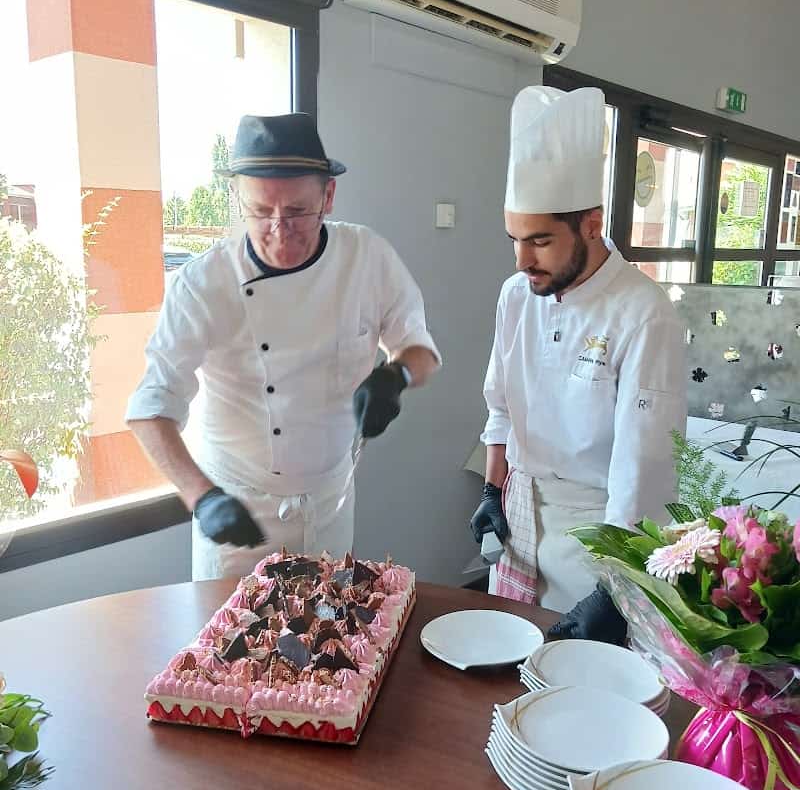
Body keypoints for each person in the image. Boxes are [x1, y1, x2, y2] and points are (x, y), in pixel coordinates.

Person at [127, 113, 440, 580]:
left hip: (331, 500)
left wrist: (396, 376)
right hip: (240, 509)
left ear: (328, 196)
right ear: (239, 200)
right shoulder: (204, 283)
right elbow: (150, 409)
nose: (278, 228)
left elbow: (421, 350)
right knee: (233, 646)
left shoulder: (367, 258)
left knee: (330, 641)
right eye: (259, 212)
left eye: (296, 211)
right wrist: (202, 496)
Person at [470, 86, 687, 640]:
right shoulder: (515, 295)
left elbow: (644, 467)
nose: (522, 261)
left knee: (582, 687)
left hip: (599, 532)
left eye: (540, 241)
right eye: (514, 239)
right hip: (521, 511)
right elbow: (500, 403)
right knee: (513, 669)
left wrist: (618, 586)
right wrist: (492, 490)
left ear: (590, 224)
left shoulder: (642, 312)